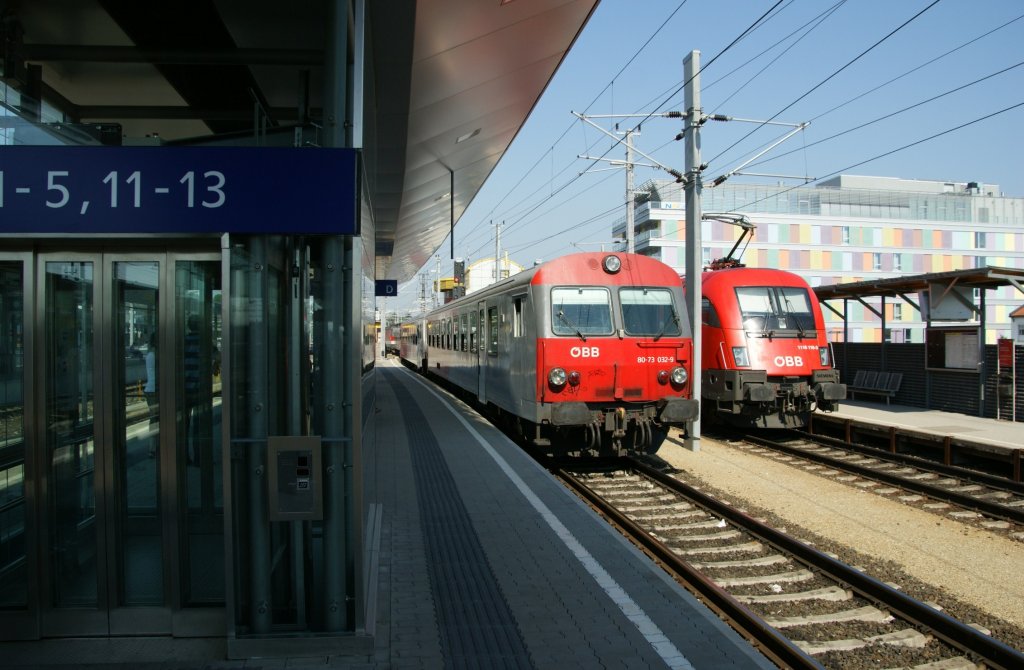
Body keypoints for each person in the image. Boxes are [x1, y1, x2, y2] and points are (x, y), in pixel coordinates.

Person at [144, 332, 158, 456]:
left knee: (154, 418)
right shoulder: (156, 356)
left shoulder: (149, 354)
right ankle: (153, 448)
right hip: (156, 390)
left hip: (150, 390)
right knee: (156, 419)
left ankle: (152, 447)